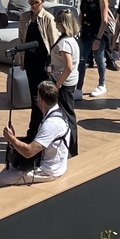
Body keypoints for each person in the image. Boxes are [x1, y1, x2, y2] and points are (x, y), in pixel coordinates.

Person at [0, 80, 71, 187]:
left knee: (0, 180)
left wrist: (11, 139)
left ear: (41, 99)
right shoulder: (58, 114)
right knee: (11, 168)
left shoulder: (51, 124)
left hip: (48, 171)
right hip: (55, 164)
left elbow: (28, 152)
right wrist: (13, 138)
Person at [17, 0, 58, 136]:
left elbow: (53, 43)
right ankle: (35, 129)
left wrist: (51, 65)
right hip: (30, 62)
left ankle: (36, 130)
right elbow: (21, 39)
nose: (33, 5)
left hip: (43, 63)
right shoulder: (24, 18)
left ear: (43, 2)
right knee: (34, 96)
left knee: (42, 97)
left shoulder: (48, 18)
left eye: (36, 2)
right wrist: (21, 61)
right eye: (31, 2)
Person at [50, 10, 81, 155]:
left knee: (68, 116)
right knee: (67, 114)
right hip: (69, 82)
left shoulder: (64, 43)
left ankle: (72, 149)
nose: (55, 23)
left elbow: (68, 66)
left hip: (64, 84)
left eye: (57, 21)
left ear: (62, 23)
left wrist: (58, 83)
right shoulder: (71, 39)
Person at [76, 0, 111, 99]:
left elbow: (104, 20)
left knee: (99, 58)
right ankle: (79, 88)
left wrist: (98, 38)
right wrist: (77, 28)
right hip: (86, 30)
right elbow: (81, 13)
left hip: (97, 32)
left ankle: (102, 84)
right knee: (81, 60)